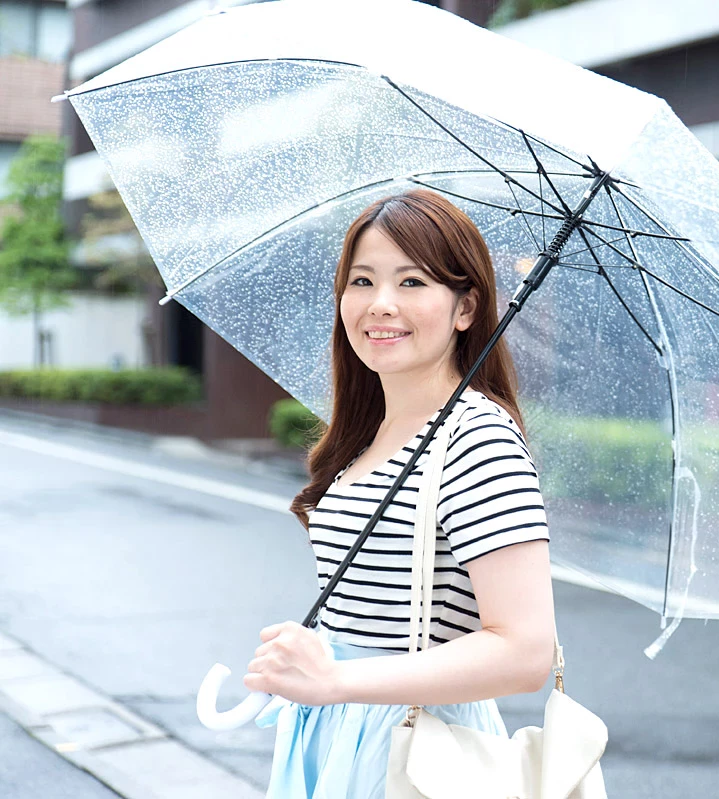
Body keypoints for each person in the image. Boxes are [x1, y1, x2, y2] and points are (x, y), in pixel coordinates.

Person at [245, 190, 556, 798]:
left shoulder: (476, 438)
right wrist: (315, 654)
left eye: (412, 282)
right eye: (362, 280)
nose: (379, 304)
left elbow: (525, 652)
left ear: (466, 308)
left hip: (416, 751)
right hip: (340, 734)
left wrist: (337, 678)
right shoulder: (371, 433)